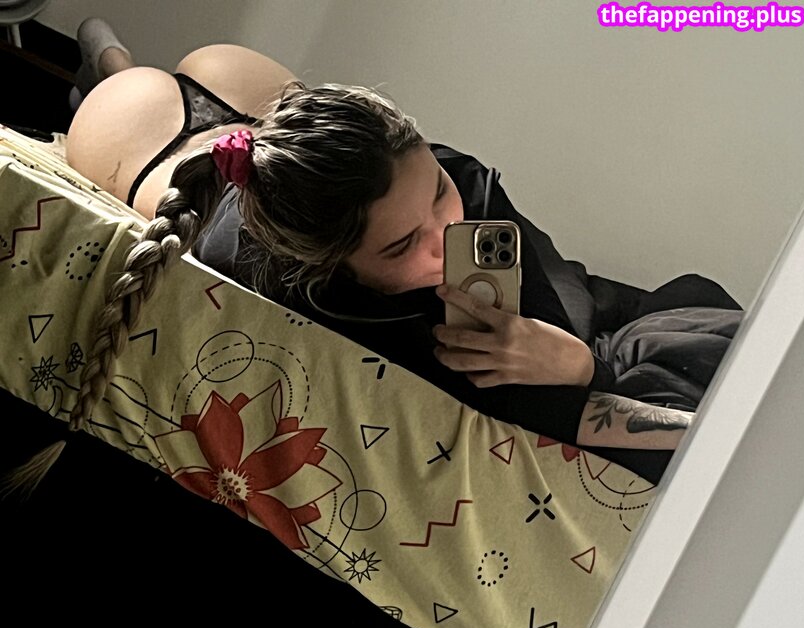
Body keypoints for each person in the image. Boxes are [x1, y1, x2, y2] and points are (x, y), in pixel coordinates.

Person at [27, 20, 740, 493]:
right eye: (401, 246)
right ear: (335, 265)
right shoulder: (319, 296)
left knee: (197, 73)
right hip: (146, 137)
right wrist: (580, 369)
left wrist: (574, 358)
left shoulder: (459, 184)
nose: (443, 238)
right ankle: (106, 63)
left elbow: (550, 297)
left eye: (437, 191)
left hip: (253, 97)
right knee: (123, 82)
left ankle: (111, 59)